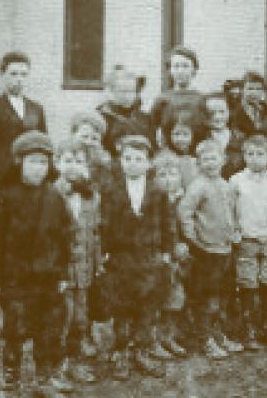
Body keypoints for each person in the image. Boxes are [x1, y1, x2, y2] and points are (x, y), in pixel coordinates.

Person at [0, 131, 72, 397]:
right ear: (19, 162)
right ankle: (11, 381)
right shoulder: (5, 198)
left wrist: (62, 272)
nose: (39, 168)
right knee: (15, 330)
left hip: (48, 278)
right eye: (33, 161)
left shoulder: (55, 197)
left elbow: (64, 237)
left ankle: (43, 379)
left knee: (48, 329)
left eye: (44, 162)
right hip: (15, 280)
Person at [0, 51, 48, 342]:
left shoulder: (37, 110)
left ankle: (19, 316)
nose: (18, 79)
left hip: (28, 192)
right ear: (2, 75)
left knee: (25, 249)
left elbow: (43, 150)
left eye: (23, 73)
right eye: (13, 73)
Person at [100, 130, 177, 380]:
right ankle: (121, 351)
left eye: (139, 159)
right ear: (121, 161)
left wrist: (166, 252)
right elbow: (104, 225)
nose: (133, 164)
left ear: (148, 163)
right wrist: (105, 253)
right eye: (128, 159)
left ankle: (141, 349)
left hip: (150, 259)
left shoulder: (158, 191)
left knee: (148, 305)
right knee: (122, 305)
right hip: (121, 259)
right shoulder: (111, 190)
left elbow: (168, 223)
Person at [177, 139, 243, 360]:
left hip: (224, 249)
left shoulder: (226, 185)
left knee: (222, 295)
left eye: (214, 158)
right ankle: (205, 340)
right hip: (206, 251)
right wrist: (192, 237)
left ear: (223, 161)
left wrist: (234, 232)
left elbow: (231, 213)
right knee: (208, 297)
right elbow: (184, 212)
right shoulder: (197, 186)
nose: (210, 163)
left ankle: (218, 334)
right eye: (205, 159)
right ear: (198, 163)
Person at [229, 134, 267, 350]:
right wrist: (236, 231)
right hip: (247, 238)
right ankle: (248, 328)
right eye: (250, 154)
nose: (254, 159)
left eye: (260, 154)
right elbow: (231, 209)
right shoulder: (236, 181)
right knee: (248, 282)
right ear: (243, 156)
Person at [51, 139, 102, 385]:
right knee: (61, 319)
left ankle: (74, 362)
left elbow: (96, 233)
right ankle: (55, 368)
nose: (73, 166)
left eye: (79, 161)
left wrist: (98, 262)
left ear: (88, 167)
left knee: (80, 320)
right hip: (60, 273)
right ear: (57, 163)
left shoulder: (93, 197)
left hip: (84, 271)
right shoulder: (50, 195)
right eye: (68, 160)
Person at [152, 150, 191, 359]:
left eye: (173, 174)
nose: (168, 180)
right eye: (162, 175)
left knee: (176, 298)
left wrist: (184, 245)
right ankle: (153, 339)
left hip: (179, 257)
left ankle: (169, 336)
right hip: (159, 256)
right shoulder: (153, 201)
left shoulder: (185, 198)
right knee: (157, 298)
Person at [149, 46, 205, 148]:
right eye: (176, 66)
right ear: (170, 70)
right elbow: (154, 128)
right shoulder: (162, 99)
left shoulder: (202, 99)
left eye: (185, 66)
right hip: (168, 153)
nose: (180, 71)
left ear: (194, 69)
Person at [98, 65, 149, 153]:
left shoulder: (144, 119)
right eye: (123, 91)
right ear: (112, 91)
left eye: (132, 91)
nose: (128, 96)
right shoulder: (102, 117)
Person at [69, 110, 114, 194]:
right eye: (84, 136)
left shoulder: (103, 163)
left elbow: (106, 189)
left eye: (94, 139)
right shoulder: (64, 156)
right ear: (73, 135)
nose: (88, 142)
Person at [203, 93, 246, 178]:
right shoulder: (201, 138)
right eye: (212, 113)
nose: (218, 117)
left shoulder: (241, 138)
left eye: (222, 112)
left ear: (229, 112)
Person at [160, 109, 201, 190]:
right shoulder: (164, 158)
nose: (180, 139)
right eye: (176, 134)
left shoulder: (198, 155)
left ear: (194, 134)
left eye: (185, 134)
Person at [231, 70, 267, 137]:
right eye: (250, 89)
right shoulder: (233, 113)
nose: (254, 93)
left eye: (258, 89)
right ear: (242, 90)